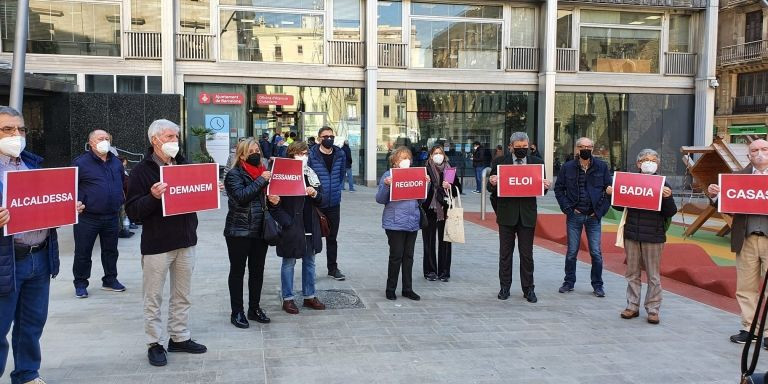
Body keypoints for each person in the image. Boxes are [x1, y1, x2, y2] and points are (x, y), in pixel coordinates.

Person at [0, 106, 84, 384]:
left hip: (40, 257)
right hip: (7, 261)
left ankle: (26, 374)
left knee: (31, 324)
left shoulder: (32, 163)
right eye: (7, 129)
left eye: (20, 129)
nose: (16, 135)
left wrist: (66, 208)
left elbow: (42, 205)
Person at [126, 119, 207, 367]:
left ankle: (179, 337)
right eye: (170, 137)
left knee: (182, 295)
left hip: (185, 240)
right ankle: (155, 342)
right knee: (153, 297)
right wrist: (152, 196)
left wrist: (208, 190)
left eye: (176, 137)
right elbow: (133, 212)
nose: (174, 142)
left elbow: (194, 196)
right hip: (157, 245)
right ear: (155, 140)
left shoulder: (183, 164)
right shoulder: (142, 171)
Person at [707, 139, 768, 345]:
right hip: (747, 239)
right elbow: (727, 207)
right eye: (754, 150)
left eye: (764, 149)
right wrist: (715, 196)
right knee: (745, 287)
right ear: (748, 155)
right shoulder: (737, 178)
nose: (759, 153)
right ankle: (750, 329)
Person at [614, 149, 677, 325]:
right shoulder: (630, 181)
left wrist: (668, 197)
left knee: (653, 276)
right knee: (632, 273)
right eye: (644, 159)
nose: (648, 162)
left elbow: (670, 212)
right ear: (638, 164)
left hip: (654, 236)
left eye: (652, 159)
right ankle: (632, 306)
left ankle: (653, 309)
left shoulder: (663, 184)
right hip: (632, 234)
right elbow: (619, 207)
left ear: (657, 163)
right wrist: (612, 193)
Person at [488, 132, 550, 303]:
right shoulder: (500, 162)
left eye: (525, 147)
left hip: (527, 215)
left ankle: (528, 289)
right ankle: (504, 287)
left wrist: (545, 186)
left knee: (527, 254)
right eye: (518, 147)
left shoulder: (537, 163)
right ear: (511, 146)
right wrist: (492, 182)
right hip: (507, 214)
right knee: (505, 254)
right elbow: (489, 188)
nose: (522, 150)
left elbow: (541, 188)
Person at [271, 141, 326, 314]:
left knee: (310, 262)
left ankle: (310, 295)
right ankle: (288, 298)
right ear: (291, 155)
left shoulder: (311, 173)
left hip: (310, 224)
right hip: (292, 225)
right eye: (299, 153)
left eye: (305, 153)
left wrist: (314, 193)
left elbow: (322, 199)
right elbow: (274, 204)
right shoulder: (282, 173)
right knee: (289, 261)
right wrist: (286, 222)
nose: (303, 156)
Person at [554, 137, 613, 297]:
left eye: (588, 146)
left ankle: (597, 285)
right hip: (575, 215)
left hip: (594, 216)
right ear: (576, 149)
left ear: (592, 149)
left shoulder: (602, 167)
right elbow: (559, 189)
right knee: (572, 251)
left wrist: (599, 212)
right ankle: (569, 282)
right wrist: (568, 209)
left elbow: (609, 191)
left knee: (595, 252)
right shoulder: (567, 167)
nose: (584, 149)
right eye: (581, 146)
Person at [223, 138, 273, 328]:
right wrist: (262, 181)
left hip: (261, 230)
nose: (256, 153)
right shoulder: (234, 174)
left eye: (257, 150)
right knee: (237, 272)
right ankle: (237, 312)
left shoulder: (265, 173)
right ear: (242, 154)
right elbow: (241, 197)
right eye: (251, 151)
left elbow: (267, 198)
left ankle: (254, 308)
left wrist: (274, 198)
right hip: (239, 231)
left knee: (257, 271)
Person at [72, 129, 126, 298]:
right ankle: (80, 283)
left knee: (111, 251)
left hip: (111, 215)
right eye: (100, 138)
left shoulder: (116, 162)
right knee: (83, 252)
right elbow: (70, 187)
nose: (104, 141)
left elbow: (123, 183)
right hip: (87, 217)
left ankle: (110, 279)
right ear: (91, 143)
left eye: (107, 138)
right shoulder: (80, 163)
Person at [376, 146, 425, 301]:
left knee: (408, 256)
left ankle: (407, 288)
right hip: (395, 223)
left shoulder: (415, 174)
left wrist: (426, 184)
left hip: (412, 221)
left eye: (407, 158)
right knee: (396, 256)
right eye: (402, 158)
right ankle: (391, 289)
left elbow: (422, 199)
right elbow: (380, 199)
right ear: (395, 161)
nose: (405, 161)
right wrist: (386, 185)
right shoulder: (388, 175)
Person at [308, 126, 347, 281]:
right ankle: (310, 270)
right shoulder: (312, 155)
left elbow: (341, 174)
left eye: (331, 136)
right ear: (319, 138)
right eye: (325, 136)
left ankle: (333, 268)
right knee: (313, 237)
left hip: (334, 203)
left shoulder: (340, 154)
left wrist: (336, 189)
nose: (328, 139)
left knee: (332, 238)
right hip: (316, 203)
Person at [422, 145, 461, 282]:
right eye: (435, 153)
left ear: (444, 155)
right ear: (431, 155)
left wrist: (450, 186)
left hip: (445, 209)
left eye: (440, 153)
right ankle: (430, 271)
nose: (438, 155)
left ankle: (444, 272)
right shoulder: (425, 169)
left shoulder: (449, 170)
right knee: (429, 241)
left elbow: (457, 189)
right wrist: (426, 184)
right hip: (429, 209)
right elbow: (419, 190)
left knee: (445, 241)